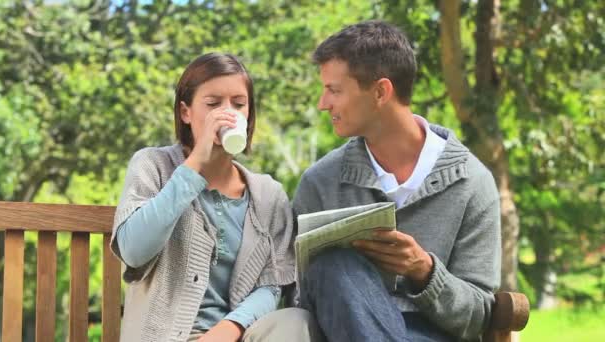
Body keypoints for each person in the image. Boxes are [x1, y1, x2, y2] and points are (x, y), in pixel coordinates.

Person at [293, 20, 501, 341]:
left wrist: (425, 272)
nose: (323, 104)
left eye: (334, 90)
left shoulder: (473, 184)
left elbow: (479, 316)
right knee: (332, 265)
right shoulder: (320, 182)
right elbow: (297, 293)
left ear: (380, 91)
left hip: (434, 334)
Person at [110, 52, 320, 342]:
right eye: (213, 104)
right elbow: (133, 250)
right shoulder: (152, 166)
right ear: (186, 112)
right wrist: (195, 163)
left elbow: (273, 285)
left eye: (238, 104)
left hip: (237, 335)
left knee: (295, 321)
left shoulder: (268, 195)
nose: (227, 113)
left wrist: (227, 330)